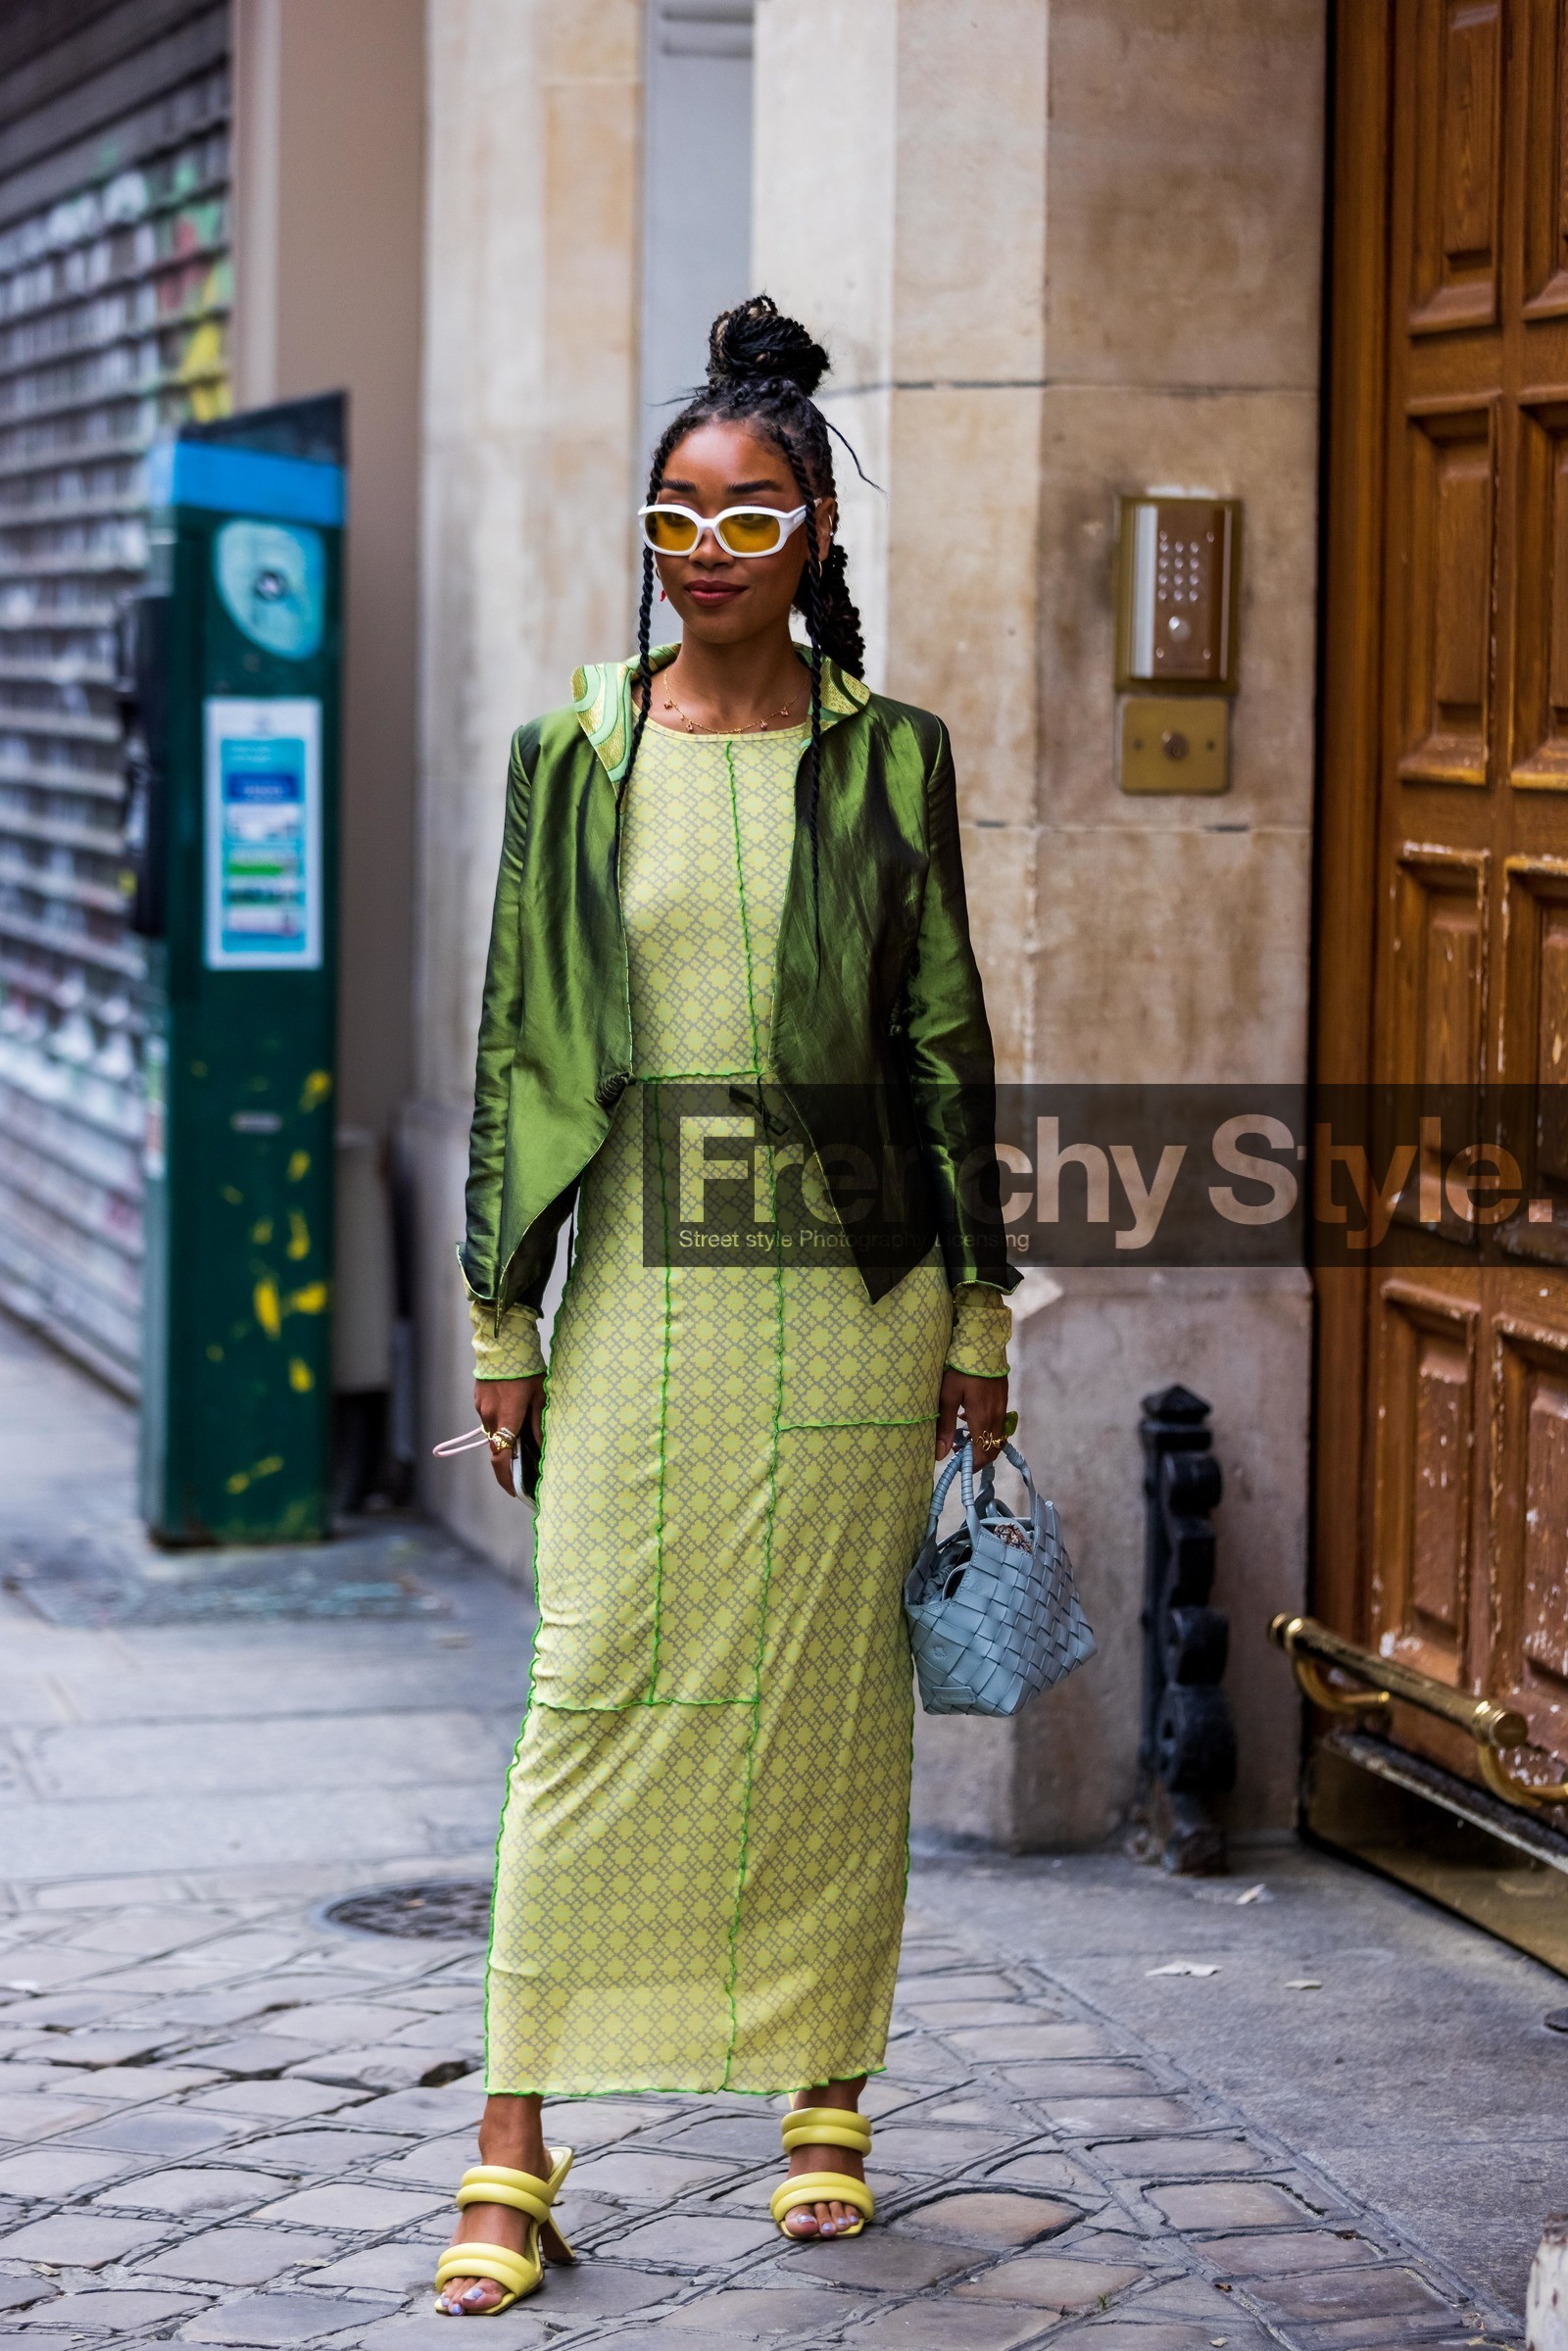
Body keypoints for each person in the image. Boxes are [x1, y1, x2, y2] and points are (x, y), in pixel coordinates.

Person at [435, 294, 1018, 2317]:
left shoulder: (889, 766)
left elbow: (944, 1042)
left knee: (830, 1712)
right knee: (586, 1692)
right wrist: (501, 1327)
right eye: (674, 517)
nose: (705, 552)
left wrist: (980, 1326)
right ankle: (512, 2136)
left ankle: (819, 2098)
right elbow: (519, 1047)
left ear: (818, 542)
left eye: (747, 517)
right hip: (638, 1298)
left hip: (856, 1302)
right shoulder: (571, 758)